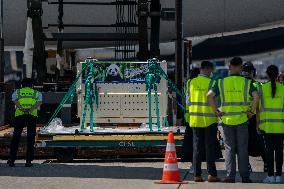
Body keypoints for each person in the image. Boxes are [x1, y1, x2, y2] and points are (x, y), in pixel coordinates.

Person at [207, 57, 259, 183]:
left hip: (227, 120)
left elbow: (209, 96)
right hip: (242, 120)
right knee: (242, 148)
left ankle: (230, 176)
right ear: (241, 68)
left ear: (229, 67)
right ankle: (245, 177)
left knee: (229, 148)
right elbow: (256, 97)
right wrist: (251, 111)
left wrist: (216, 112)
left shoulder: (221, 82)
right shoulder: (247, 83)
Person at [186, 61, 220, 182]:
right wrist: (218, 112)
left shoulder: (191, 82)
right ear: (209, 69)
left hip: (195, 119)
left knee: (197, 148)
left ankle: (197, 175)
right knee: (209, 147)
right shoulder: (212, 82)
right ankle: (212, 175)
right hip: (210, 120)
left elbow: (188, 102)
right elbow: (217, 102)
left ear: (200, 69)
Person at [257, 65, 284, 183]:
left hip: (266, 126)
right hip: (280, 126)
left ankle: (270, 176)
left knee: (269, 151)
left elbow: (257, 109)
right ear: (278, 74)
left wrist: (257, 124)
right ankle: (279, 176)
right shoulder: (283, 88)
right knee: (279, 151)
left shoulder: (262, 89)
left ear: (267, 74)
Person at [7, 78, 42, 167]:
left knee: (16, 137)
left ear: (22, 85)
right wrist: (30, 109)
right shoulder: (37, 93)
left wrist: (22, 108)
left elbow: (15, 101)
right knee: (30, 138)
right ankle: (28, 161)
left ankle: (11, 160)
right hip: (31, 116)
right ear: (31, 85)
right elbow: (39, 102)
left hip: (19, 115)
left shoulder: (17, 92)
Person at [242, 62, 267, 172]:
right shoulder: (258, 85)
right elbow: (260, 104)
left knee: (243, 144)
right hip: (254, 117)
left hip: (242, 117)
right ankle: (267, 164)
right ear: (253, 72)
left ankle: (247, 166)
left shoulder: (240, 84)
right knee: (260, 142)